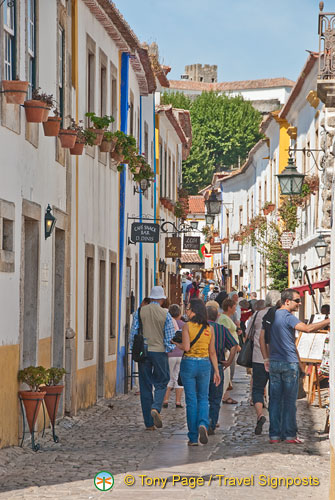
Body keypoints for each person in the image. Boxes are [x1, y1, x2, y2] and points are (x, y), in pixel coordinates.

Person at [260, 288, 330, 444]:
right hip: (288, 363)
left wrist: (266, 359)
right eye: (297, 300)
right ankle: (290, 435)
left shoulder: (272, 315)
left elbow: (263, 338)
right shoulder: (287, 316)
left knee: (275, 400)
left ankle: (275, 436)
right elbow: (307, 328)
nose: (299, 303)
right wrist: (329, 320)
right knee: (290, 401)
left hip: (275, 362)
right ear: (287, 301)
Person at [173, 299, 220, 446]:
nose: (186, 311)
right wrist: (217, 371)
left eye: (188, 309)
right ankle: (203, 424)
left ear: (194, 310)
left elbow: (186, 347)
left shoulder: (187, 326)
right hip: (205, 363)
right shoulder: (209, 328)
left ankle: (193, 438)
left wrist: (176, 344)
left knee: (191, 400)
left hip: (189, 363)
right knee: (204, 398)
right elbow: (212, 352)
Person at [130, 286, 175, 430]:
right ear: (162, 299)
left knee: (145, 385)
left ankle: (149, 424)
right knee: (162, 381)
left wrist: (134, 349)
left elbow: (133, 333)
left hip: (143, 351)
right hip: (159, 351)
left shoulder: (140, 311)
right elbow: (169, 337)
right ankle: (156, 407)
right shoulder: (165, 314)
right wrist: (168, 349)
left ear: (150, 298)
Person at [246, 292, 280, 436]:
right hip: (277, 358)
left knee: (258, 389)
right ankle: (275, 422)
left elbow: (248, 334)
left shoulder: (257, 315)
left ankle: (260, 415)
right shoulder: (280, 314)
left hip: (259, 358)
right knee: (275, 391)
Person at [206, 305, 238, 434]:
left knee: (202, 396)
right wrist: (229, 361)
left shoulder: (201, 328)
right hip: (218, 366)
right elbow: (234, 345)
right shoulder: (221, 329)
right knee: (215, 397)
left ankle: (201, 422)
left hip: (202, 364)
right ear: (217, 316)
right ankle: (212, 424)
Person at [218, 298, 241, 402]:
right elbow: (225, 333)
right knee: (228, 372)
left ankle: (226, 395)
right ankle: (224, 395)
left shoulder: (226, 318)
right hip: (228, 349)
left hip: (231, 348)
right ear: (229, 307)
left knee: (230, 372)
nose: (235, 309)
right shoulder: (224, 319)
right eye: (234, 307)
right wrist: (234, 344)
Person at [163, 304, 184, 408]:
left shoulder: (168, 323)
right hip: (181, 354)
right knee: (178, 378)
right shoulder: (184, 325)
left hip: (170, 354)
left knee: (169, 377)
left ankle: (165, 400)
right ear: (179, 313)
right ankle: (178, 402)